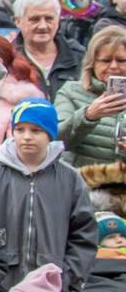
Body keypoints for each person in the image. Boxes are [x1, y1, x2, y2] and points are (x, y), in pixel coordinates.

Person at [0, 98, 96, 292]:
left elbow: (84, 234)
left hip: (49, 291)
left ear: (50, 134)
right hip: (0, 290)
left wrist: (67, 278)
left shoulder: (69, 179)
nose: (27, 137)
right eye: (20, 129)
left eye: (36, 130)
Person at [52, 24, 126, 208]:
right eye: (106, 60)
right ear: (92, 63)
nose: (114, 67)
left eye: (122, 60)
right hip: (83, 191)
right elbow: (57, 139)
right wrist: (88, 116)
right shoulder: (71, 91)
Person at [14, 0, 81, 98]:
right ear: (18, 21)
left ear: (58, 21)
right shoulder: (8, 61)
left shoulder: (79, 57)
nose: (43, 26)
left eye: (49, 19)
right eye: (35, 19)